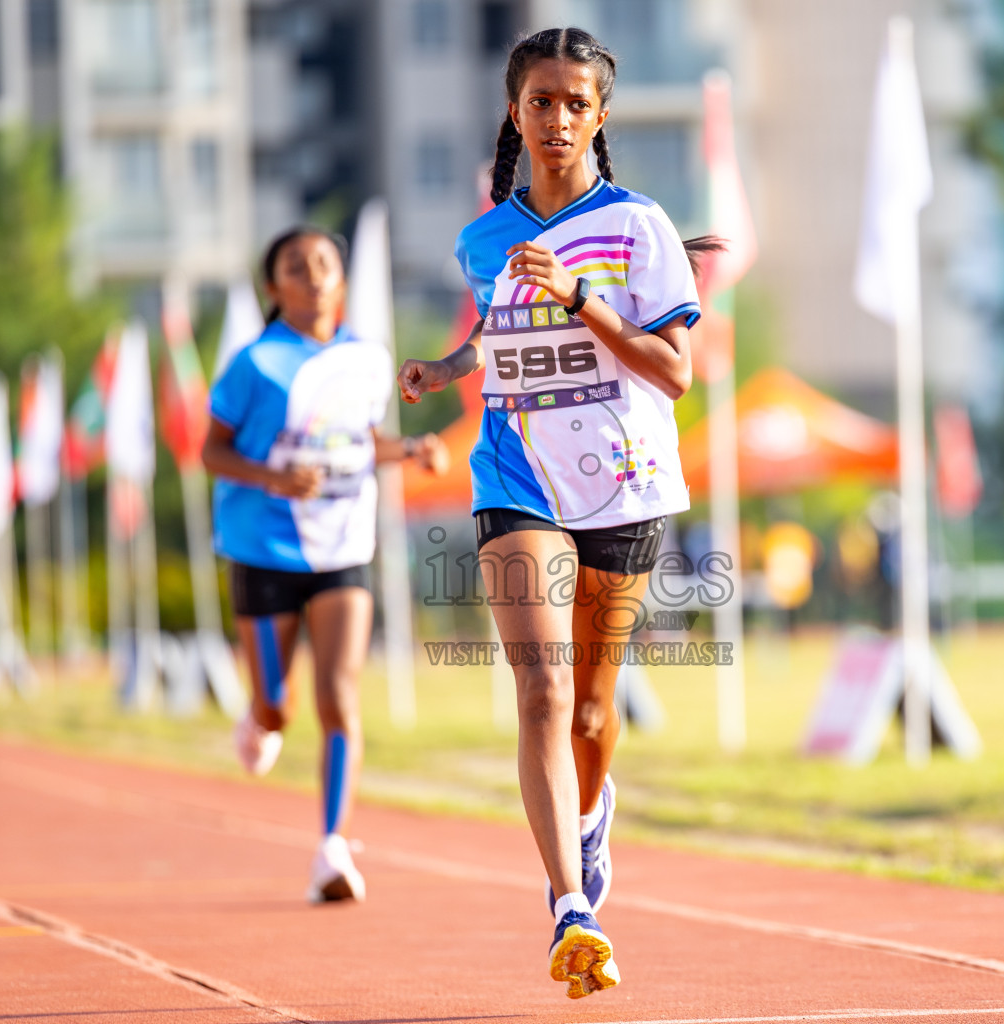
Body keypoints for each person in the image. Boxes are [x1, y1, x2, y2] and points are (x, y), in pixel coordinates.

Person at [397, 27, 700, 999]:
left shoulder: (639, 227)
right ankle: (570, 904)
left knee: (592, 708)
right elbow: (497, 332)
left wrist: (585, 301)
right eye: (541, 100)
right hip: (515, 476)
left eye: (577, 102)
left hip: (623, 480)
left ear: (600, 115)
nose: (558, 118)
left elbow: (675, 371)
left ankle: (590, 808)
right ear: (513, 111)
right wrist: (443, 371)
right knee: (538, 691)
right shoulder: (483, 237)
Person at [203, 226, 448, 904]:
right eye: (296, 267)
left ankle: (332, 849)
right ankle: (259, 714)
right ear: (273, 287)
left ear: (341, 279)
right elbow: (211, 453)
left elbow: (362, 443)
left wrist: (413, 449)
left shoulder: (368, 360)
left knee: (339, 698)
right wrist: (269, 478)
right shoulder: (253, 365)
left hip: (343, 544)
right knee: (280, 707)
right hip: (264, 545)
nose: (313, 276)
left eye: (324, 264)